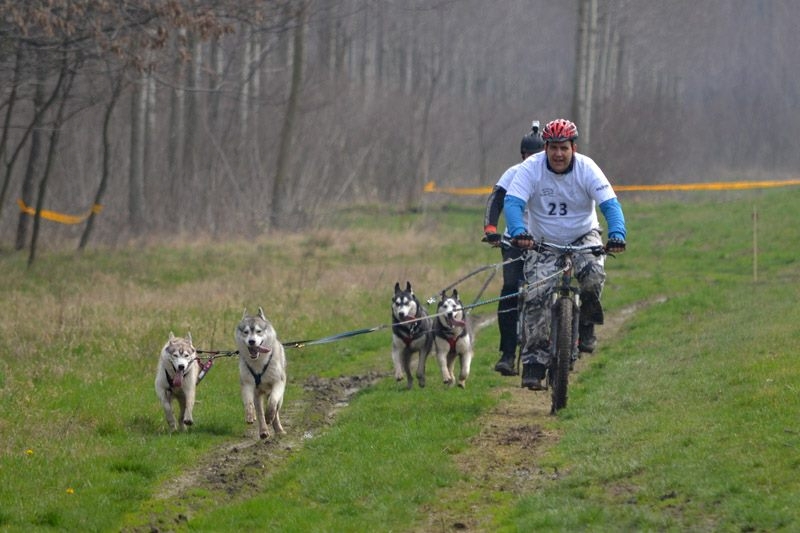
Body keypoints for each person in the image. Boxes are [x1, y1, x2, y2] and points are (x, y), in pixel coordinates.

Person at [503, 118, 627, 390]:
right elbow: (512, 203)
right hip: (542, 241)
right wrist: (518, 231)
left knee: (594, 276)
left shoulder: (588, 168)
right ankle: (534, 363)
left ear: (574, 147)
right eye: (553, 148)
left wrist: (617, 233)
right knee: (536, 294)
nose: (558, 154)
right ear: (545, 148)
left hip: (583, 236)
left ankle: (586, 325)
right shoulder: (530, 169)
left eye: (564, 148)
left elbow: (610, 204)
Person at [483, 121, 545, 376]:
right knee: (509, 290)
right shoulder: (512, 174)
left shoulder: (552, 174)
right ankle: (507, 353)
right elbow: (495, 201)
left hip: (545, 242)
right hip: (514, 242)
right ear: (523, 156)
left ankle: (565, 336)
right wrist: (490, 229)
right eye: (529, 156)